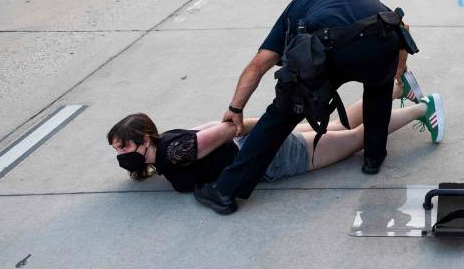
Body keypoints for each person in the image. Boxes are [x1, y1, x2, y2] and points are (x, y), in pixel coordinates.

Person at [192, 0, 422, 214]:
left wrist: (235, 108)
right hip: (382, 41)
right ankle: (373, 159)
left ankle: (225, 191)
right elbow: (402, 28)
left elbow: (259, 65)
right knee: (378, 89)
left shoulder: (299, 4)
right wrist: (398, 68)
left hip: (327, 52)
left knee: (280, 116)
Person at [108, 82, 442, 195]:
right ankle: (399, 89)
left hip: (274, 155)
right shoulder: (168, 145)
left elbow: (227, 128)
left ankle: (423, 108)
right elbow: (214, 127)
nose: (120, 154)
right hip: (265, 145)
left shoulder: (174, 152)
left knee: (356, 139)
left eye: (123, 147)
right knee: (341, 127)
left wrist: (271, 126)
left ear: (143, 138)